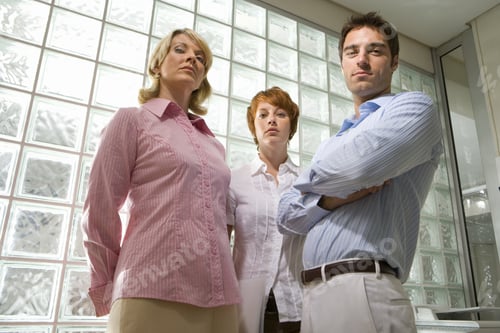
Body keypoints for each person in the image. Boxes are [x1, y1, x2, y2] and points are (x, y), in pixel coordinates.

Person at [277, 11, 443, 333]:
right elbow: (285, 216)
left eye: (375, 50)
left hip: (365, 289)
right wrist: (328, 200)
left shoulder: (414, 108)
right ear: (342, 64)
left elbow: (360, 167)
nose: (362, 60)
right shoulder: (335, 142)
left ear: (394, 62)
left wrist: (306, 183)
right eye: (352, 52)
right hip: (311, 294)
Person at [82, 28, 240, 333]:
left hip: (221, 299)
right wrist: (107, 285)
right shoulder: (132, 120)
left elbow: (220, 221)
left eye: (200, 58)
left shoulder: (213, 145)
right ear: (157, 64)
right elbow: (100, 207)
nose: (192, 59)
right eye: (180, 50)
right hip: (149, 291)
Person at [227, 87, 303, 333]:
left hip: (297, 306)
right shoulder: (234, 180)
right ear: (253, 125)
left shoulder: (308, 181)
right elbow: (220, 245)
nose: (271, 119)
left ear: (291, 126)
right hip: (243, 307)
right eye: (263, 114)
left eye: (281, 114)